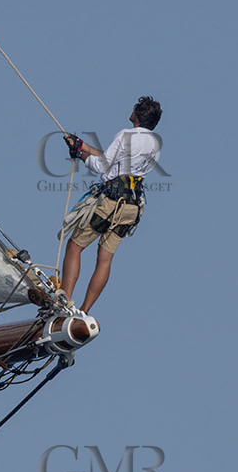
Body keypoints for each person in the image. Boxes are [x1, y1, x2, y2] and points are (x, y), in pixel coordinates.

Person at [58, 95, 163, 314]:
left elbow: (101, 166)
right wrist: (83, 146)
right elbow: (114, 161)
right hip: (131, 207)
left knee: (74, 246)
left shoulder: (126, 134)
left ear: (137, 114)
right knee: (104, 258)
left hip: (111, 203)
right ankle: (85, 310)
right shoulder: (155, 143)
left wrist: (80, 155)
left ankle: (64, 302)